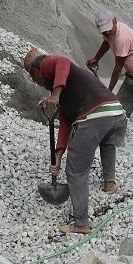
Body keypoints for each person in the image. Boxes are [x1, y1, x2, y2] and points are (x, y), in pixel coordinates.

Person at [24, 48, 127, 235]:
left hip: (96, 113)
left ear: (36, 72)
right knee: (107, 141)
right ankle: (110, 183)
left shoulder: (46, 64)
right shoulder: (65, 93)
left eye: (34, 79)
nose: (38, 84)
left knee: (76, 170)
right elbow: (65, 124)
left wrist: (54, 95)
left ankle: (81, 225)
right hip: (116, 112)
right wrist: (57, 157)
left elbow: (62, 62)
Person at [87, 11, 133, 149]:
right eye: (104, 32)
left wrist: (109, 91)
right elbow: (106, 43)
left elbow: (118, 68)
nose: (106, 34)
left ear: (115, 22)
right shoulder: (109, 34)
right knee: (120, 108)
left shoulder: (122, 37)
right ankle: (117, 142)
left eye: (109, 31)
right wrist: (96, 58)